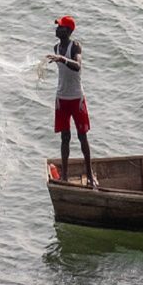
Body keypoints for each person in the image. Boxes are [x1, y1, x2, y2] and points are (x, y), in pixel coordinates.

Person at [46, 15, 97, 187]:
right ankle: (65, 176)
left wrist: (62, 59)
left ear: (67, 31)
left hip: (76, 99)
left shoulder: (75, 46)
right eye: (57, 27)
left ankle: (90, 175)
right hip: (62, 98)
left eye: (60, 27)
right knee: (65, 138)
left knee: (82, 137)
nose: (57, 29)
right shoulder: (56, 47)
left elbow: (77, 66)